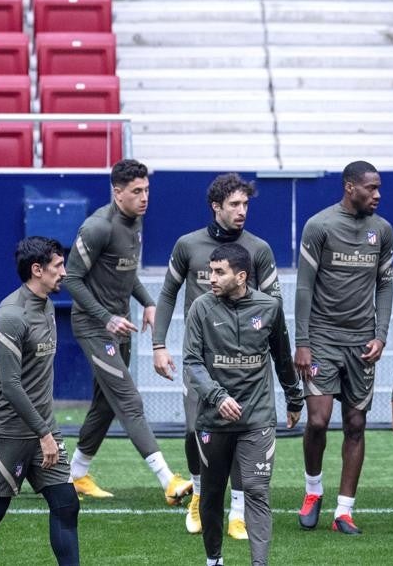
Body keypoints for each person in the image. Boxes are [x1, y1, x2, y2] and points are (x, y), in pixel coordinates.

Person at [153, 173, 281, 538]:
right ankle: (198, 493)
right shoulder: (188, 245)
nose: (242, 211)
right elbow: (167, 294)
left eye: (246, 204)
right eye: (235, 205)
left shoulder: (259, 249)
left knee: (243, 431)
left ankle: (238, 512)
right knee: (195, 429)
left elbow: (275, 305)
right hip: (203, 361)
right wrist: (159, 345)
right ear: (216, 207)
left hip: (248, 364)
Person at [63, 159, 191, 503]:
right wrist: (106, 317)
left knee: (105, 404)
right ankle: (168, 480)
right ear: (117, 193)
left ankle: (74, 475)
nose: (145, 197)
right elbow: (70, 279)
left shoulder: (136, 222)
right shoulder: (97, 227)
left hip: (121, 326)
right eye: (137, 192)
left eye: (147, 190)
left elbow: (126, 271)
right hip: (94, 327)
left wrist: (148, 302)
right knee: (129, 399)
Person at [184, 243, 303, 566]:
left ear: (241, 276)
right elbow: (192, 362)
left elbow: (282, 357)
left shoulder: (269, 307)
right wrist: (218, 397)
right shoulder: (200, 308)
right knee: (210, 496)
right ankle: (214, 560)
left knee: (256, 490)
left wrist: (295, 398)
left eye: (219, 272)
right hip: (212, 419)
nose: (211, 278)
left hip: (258, 418)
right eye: (210, 271)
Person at [294, 160, 393, 535]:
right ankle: (312, 491)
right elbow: (304, 287)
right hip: (321, 337)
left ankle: (344, 511)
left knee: (356, 423)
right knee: (318, 421)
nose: (378, 195)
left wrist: (381, 334)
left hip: (361, 341)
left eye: (379, 187)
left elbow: (385, 285)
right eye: (371, 188)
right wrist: (302, 342)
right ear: (350, 187)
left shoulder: (382, 230)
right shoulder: (319, 225)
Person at [0, 236, 80, 566]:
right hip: (11, 432)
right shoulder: (10, 316)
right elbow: (11, 385)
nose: (64, 272)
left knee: (66, 505)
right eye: (58, 266)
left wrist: (47, 432)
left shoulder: (45, 305)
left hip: (45, 428)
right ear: (37, 270)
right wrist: (44, 435)